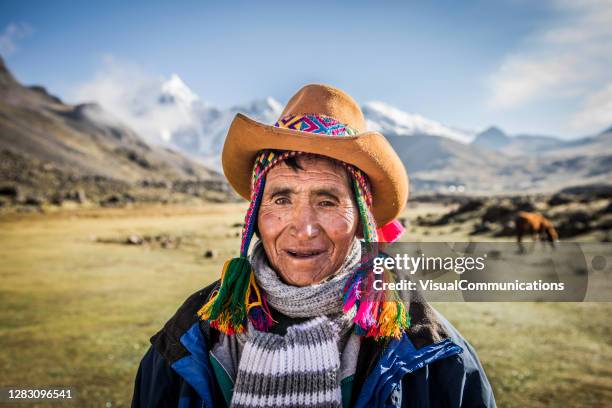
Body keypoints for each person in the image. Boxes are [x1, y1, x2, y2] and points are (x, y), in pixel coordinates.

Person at [132, 84, 496, 407]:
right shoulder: (188, 338)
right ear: (255, 215)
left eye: (327, 201)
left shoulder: (432, 353)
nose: (304, 229)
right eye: (281, 199)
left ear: (362, 222)